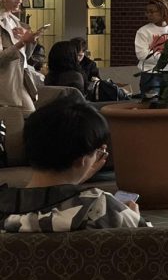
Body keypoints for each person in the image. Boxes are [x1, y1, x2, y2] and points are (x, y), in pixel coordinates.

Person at [0, 93, 147, 232]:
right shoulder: (102, 208)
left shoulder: (5, 207)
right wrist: (134, 218)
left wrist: (73, 185)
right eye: (96, 152)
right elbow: (154, 248)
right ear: (80, 160)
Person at [0, 0, 42, 111]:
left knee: (29, 117)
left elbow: (26, 57)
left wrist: (31, 41)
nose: (19, 1)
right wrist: (22, 42)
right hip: (6, 82)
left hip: (21, 78)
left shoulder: (15, 21)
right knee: (22, 121)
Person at [134, 0, 168, 95]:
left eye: (152, 12)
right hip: (150, 74)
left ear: (162, 11)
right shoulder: (143, 31)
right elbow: (142, 55)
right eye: (146, 12)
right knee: (151, 104)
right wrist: (166, 58)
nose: (148, 15)